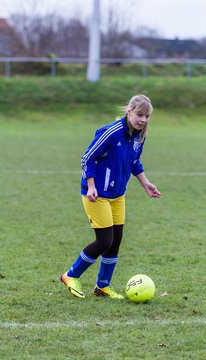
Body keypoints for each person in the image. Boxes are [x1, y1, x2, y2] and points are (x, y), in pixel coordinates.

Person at [61, 94, 161, 299]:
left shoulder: (139, 136)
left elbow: (134, 162)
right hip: (96, 195)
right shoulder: (112, 132)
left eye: (147, 116)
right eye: (139, 115)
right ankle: (70, 276)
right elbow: (88, 157)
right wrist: (90, 186)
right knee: (104, 240)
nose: (143, 120)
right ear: (129, 112)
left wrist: (146, 184)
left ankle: (102, 286)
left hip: (117, 195)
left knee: (116, 240)